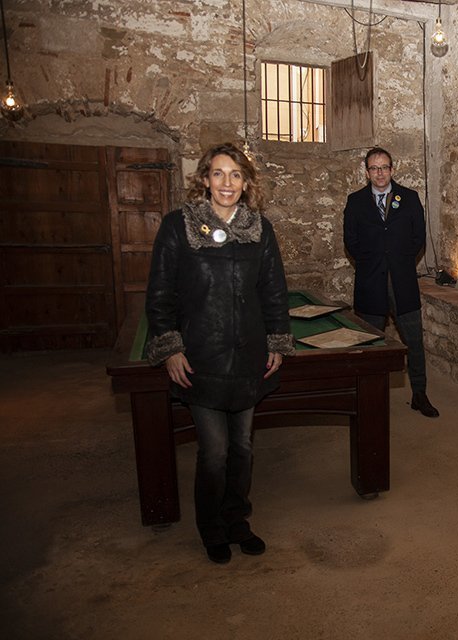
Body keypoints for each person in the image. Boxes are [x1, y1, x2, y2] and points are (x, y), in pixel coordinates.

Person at [144, 142, 295, 564]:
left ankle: (237, 521)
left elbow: (273, 292)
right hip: (200, 359)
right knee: (215, 451)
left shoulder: (259, 229)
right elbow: (160, 294)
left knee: (243, 448)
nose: (226, 183)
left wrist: (278, 340)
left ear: (246, 183)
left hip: (248, 358)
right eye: (218, 174)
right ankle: (211, 528)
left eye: (235, 175)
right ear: (204, 179)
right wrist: (170, 347)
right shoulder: (179, 226)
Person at [343, 147, 439, 418]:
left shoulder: (408, 198)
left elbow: (418, 237)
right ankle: (368, 399)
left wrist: (400, 260)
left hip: (403, 282)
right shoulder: (356, 201)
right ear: (367, 172)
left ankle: (420, 394)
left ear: (392, 169)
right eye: (374, 168)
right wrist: (372, 260)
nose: (380, 173)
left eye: (384, 167)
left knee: (414, 342)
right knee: (370, 346)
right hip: (370, 283)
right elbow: (351, 240)